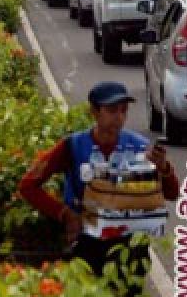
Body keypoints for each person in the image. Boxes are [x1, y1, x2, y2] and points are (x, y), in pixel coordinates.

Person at [19, 81, 178, 285]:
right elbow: (28, 186)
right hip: (86, 242)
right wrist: (66, 215)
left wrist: (163, 168)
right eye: (111, 110)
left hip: (129, 245)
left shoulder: (140, 146)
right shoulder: (73, 146)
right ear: (94, 111)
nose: (119, 117)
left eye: (123, 111)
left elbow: (172, 194)